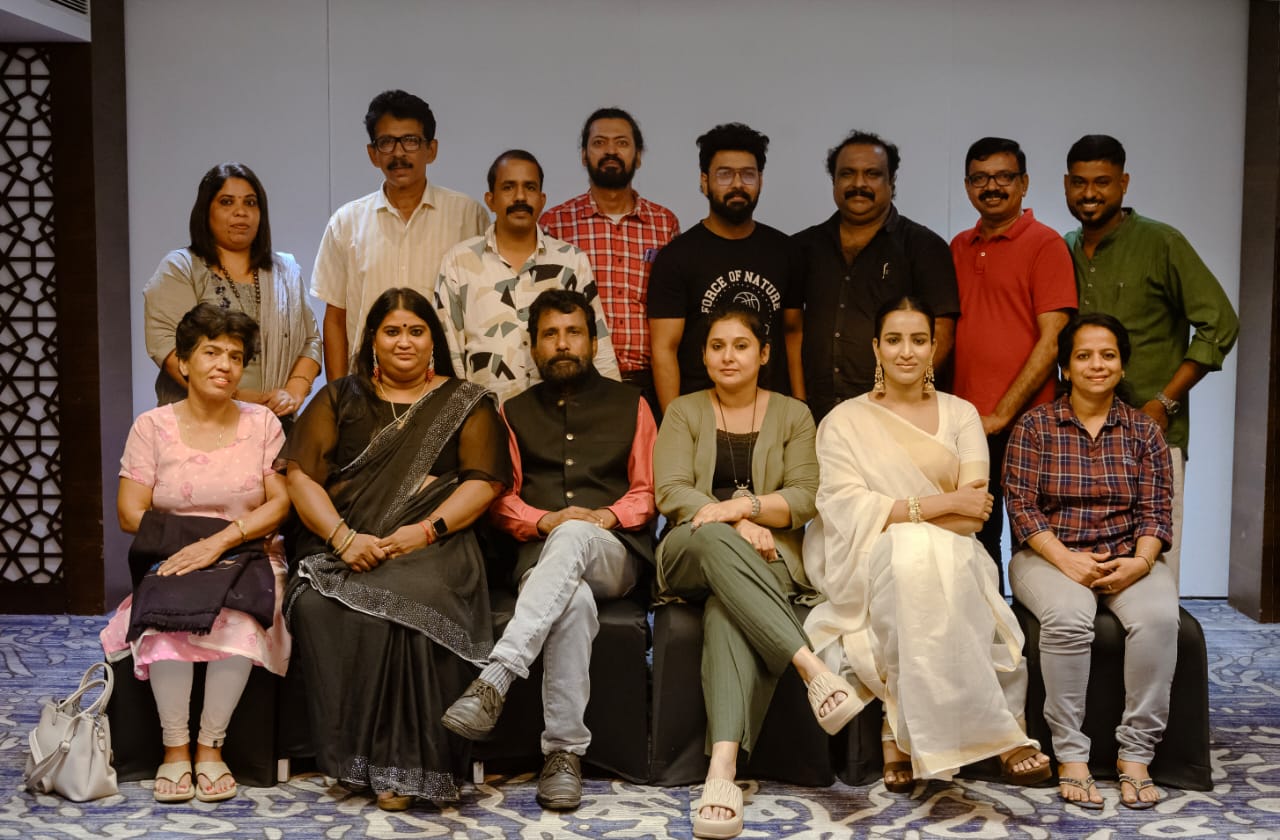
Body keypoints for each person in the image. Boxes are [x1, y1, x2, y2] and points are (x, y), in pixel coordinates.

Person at [803, 296, 1051, 795]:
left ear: (935, 348)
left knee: (923, 559)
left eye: (918, 340)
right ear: (876, 347)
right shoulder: (844, 421)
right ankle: (1004, 735)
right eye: (894, 340)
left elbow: (974, 513)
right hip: (868, 557)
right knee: (909, 559)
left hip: (955, 549)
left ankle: (897, 730)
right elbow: (845, 511)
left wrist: (904, 511)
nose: (906, 352)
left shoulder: (961, 414)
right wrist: (943, 503)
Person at [281, 287, 511, 809]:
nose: (404, 341)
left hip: (436, 543)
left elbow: (484, 483)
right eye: (392, 331)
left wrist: (426, 529)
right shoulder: (340, 397)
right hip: (343, 542)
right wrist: (343, 538)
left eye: (415, 331)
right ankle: (357, 762)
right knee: (320, 605)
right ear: (372, 340)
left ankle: (407, 765)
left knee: (416, 601)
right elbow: (300, 476)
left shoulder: (465, 401)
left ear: (433, 340)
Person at [442, 289, 657, 811]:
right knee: (573, 600)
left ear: (592, 340)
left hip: (614, 554)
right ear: (533, 346)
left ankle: (496, 677)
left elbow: (647, 492)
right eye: (551, 335)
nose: (563, 344)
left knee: (575, 536)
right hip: (539, 558)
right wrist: (545, 521)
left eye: (574, 332)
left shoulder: (632, 403)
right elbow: (501, 499)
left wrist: (602, 518)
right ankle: (564, 755)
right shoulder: (512, 412)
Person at [654, 304, 859, 839]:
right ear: (704, 355)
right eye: (717, 346)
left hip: (771, 561)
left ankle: (721, 771)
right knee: (714, 539)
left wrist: (741, 507)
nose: (728, 356)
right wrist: (735, 521)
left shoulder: (794, 414)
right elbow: (671, 492)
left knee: (727, 612)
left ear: (764, 354)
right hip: (690, 549)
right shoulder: (683, 411)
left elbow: (806, 497)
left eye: (741, 345)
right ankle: (811, 670)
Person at [101, 303, 291, 804]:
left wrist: (221, 542)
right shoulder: (152, 426)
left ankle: (211, 745)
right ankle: (174, 747)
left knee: (241, 619)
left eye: (235, 356)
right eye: (211, 352)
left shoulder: (263, 424)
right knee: (168, 615)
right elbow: (129, 513)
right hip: (173, 556)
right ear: (183, 362)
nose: (224, 365)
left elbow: (280, 505)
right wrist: (195, 545)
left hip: (246, 555)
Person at [1005, 312, 1178, 811]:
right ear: (1065, 367)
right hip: (1047, 556)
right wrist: (1067, 561)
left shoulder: (1144, 431)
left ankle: (1136, 755)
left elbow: (1156, 511)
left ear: (1122, 365)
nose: (1096, 365)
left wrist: (1141, 563)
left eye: (1108, 355)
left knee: (1159, 618)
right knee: (1068, 616)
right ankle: (1071, 755)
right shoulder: (1034, 426)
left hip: (1127, 557)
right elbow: (1022, 507)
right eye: (1083, 356)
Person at [1063, 134, 1239, 585]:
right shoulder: (1064, 249)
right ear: (1066, 184)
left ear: (1123, 183)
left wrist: (1165, 401)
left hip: (1153, 434)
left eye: (1102, 182)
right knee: (1081, 568)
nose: (1089, 193)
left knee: (1153, 568)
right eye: (1079, 182)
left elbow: (1220, 323)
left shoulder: (1162, 243)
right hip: (1079, 439)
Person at [950, 137, 1077, 586]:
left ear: (1024, 183)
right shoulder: (958, 246)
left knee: (1032, 539)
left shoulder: (1045, 244)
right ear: (967, 186)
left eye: (1004, 177)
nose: (992, 187)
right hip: (966, 422)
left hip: (1028, 423)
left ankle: (1033, 628)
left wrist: (1003, 413)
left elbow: (1053, 339)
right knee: (974, 536)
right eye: (980, 178)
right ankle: (985, 625)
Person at [311, 90, 489, 380]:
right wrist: (340, 394)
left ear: (431, 149)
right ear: (373, 154)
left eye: (410, 141)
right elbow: (335, 319)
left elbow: (482, 309)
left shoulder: (468, 216)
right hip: (368, 386)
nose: (398, 153)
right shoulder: (346, 222)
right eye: (386, 142)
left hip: (446, 384)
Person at [792, 130, 960, 423]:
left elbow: (942, 335)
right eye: (847, 174)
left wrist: (905, 402)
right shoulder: (804, 247)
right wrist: (799, 406)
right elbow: (792, 330)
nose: (859, 184)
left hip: (895, 416)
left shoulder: (924, 247)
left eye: (872, 174)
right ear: (834, 181)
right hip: (815, 416)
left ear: (891, 182)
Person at [434, 149, 620, 404]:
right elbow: (448, 352)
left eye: (530, 187)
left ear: (542, 200)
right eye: (508, 187)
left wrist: (614, 409)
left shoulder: (571, 260)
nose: (520, 197)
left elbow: (597, 343)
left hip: (562, 416)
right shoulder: (459, 262)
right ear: (490, 199)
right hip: (486, 415)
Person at [144, 163, 322, 418]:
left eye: (250, 203)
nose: (241, 212)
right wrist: (239, 399)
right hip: (197, 422)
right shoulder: (181, 268)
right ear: (206, 211)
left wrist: (293, 392)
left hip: (273, 420)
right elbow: (168, 345)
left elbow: (310, 340)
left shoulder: (285, 272)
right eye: (227, 202)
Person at [648, 123, 801, 412]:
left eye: (748, 174)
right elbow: (664, 350)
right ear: (704, 181)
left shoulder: (786, 251)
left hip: (772, 414)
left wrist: (800, 405)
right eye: (725, 174)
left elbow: (793, 333)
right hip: (701, 415)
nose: (737, 184)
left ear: (760, 181)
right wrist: (675, 424)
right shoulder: (676, 257)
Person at [541, 107, 680, 413]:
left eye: (622, 142)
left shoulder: (664, 224)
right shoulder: (555, 223)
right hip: (578, 381)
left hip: (649, 382)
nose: (611, 151)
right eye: (599, 143)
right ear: (584, 155)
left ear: (638, 156)